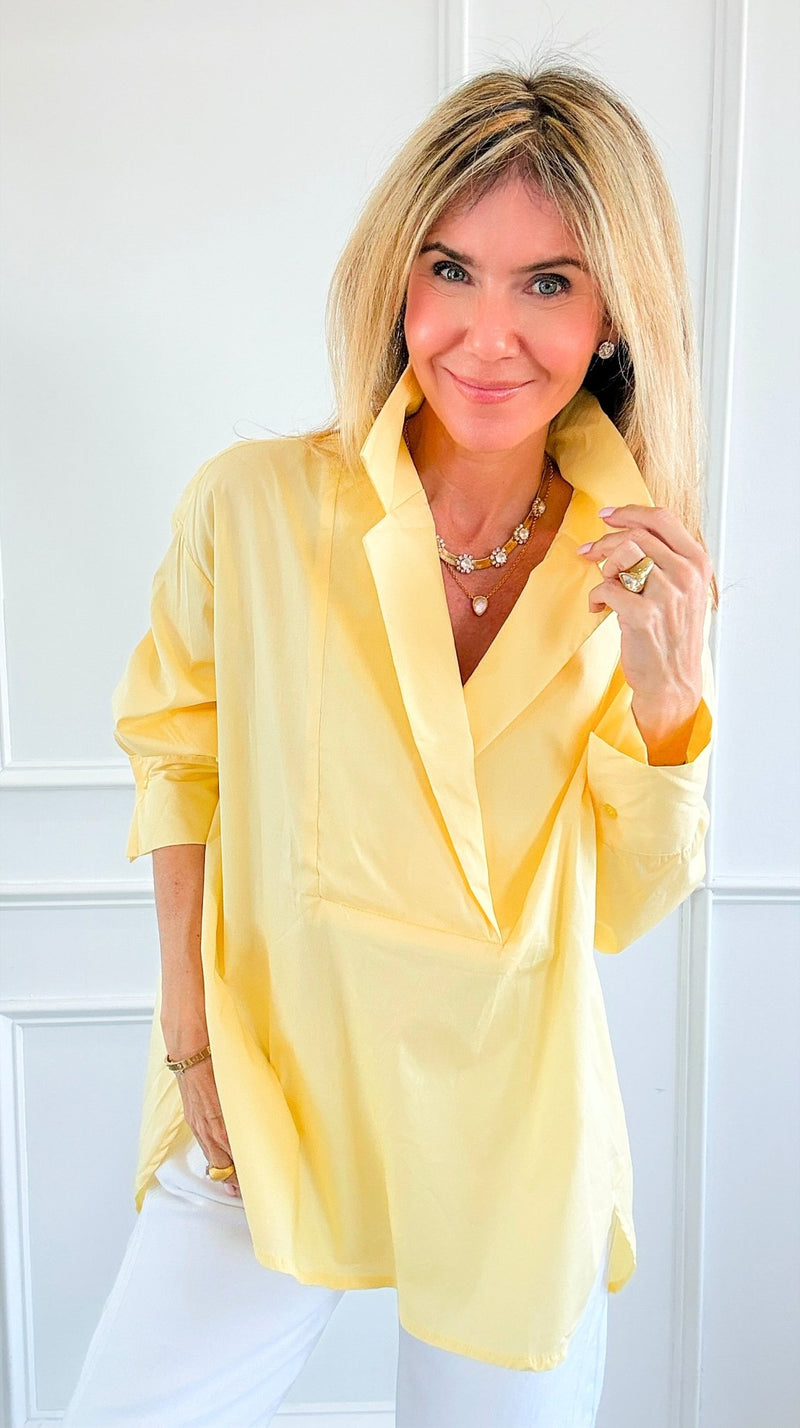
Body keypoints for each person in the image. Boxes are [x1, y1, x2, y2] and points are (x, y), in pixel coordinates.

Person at [64, 59, 717, 1428]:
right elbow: (179, 760)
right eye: (451, 271)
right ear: (398, 282)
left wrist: (672, 701)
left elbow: (625, 905)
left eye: (549, 283)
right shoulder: (251, 506)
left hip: (511, 1120)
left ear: (613, 315)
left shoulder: (637, 572)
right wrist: (190, 1044)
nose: (488, 335)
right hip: (271, 1085)